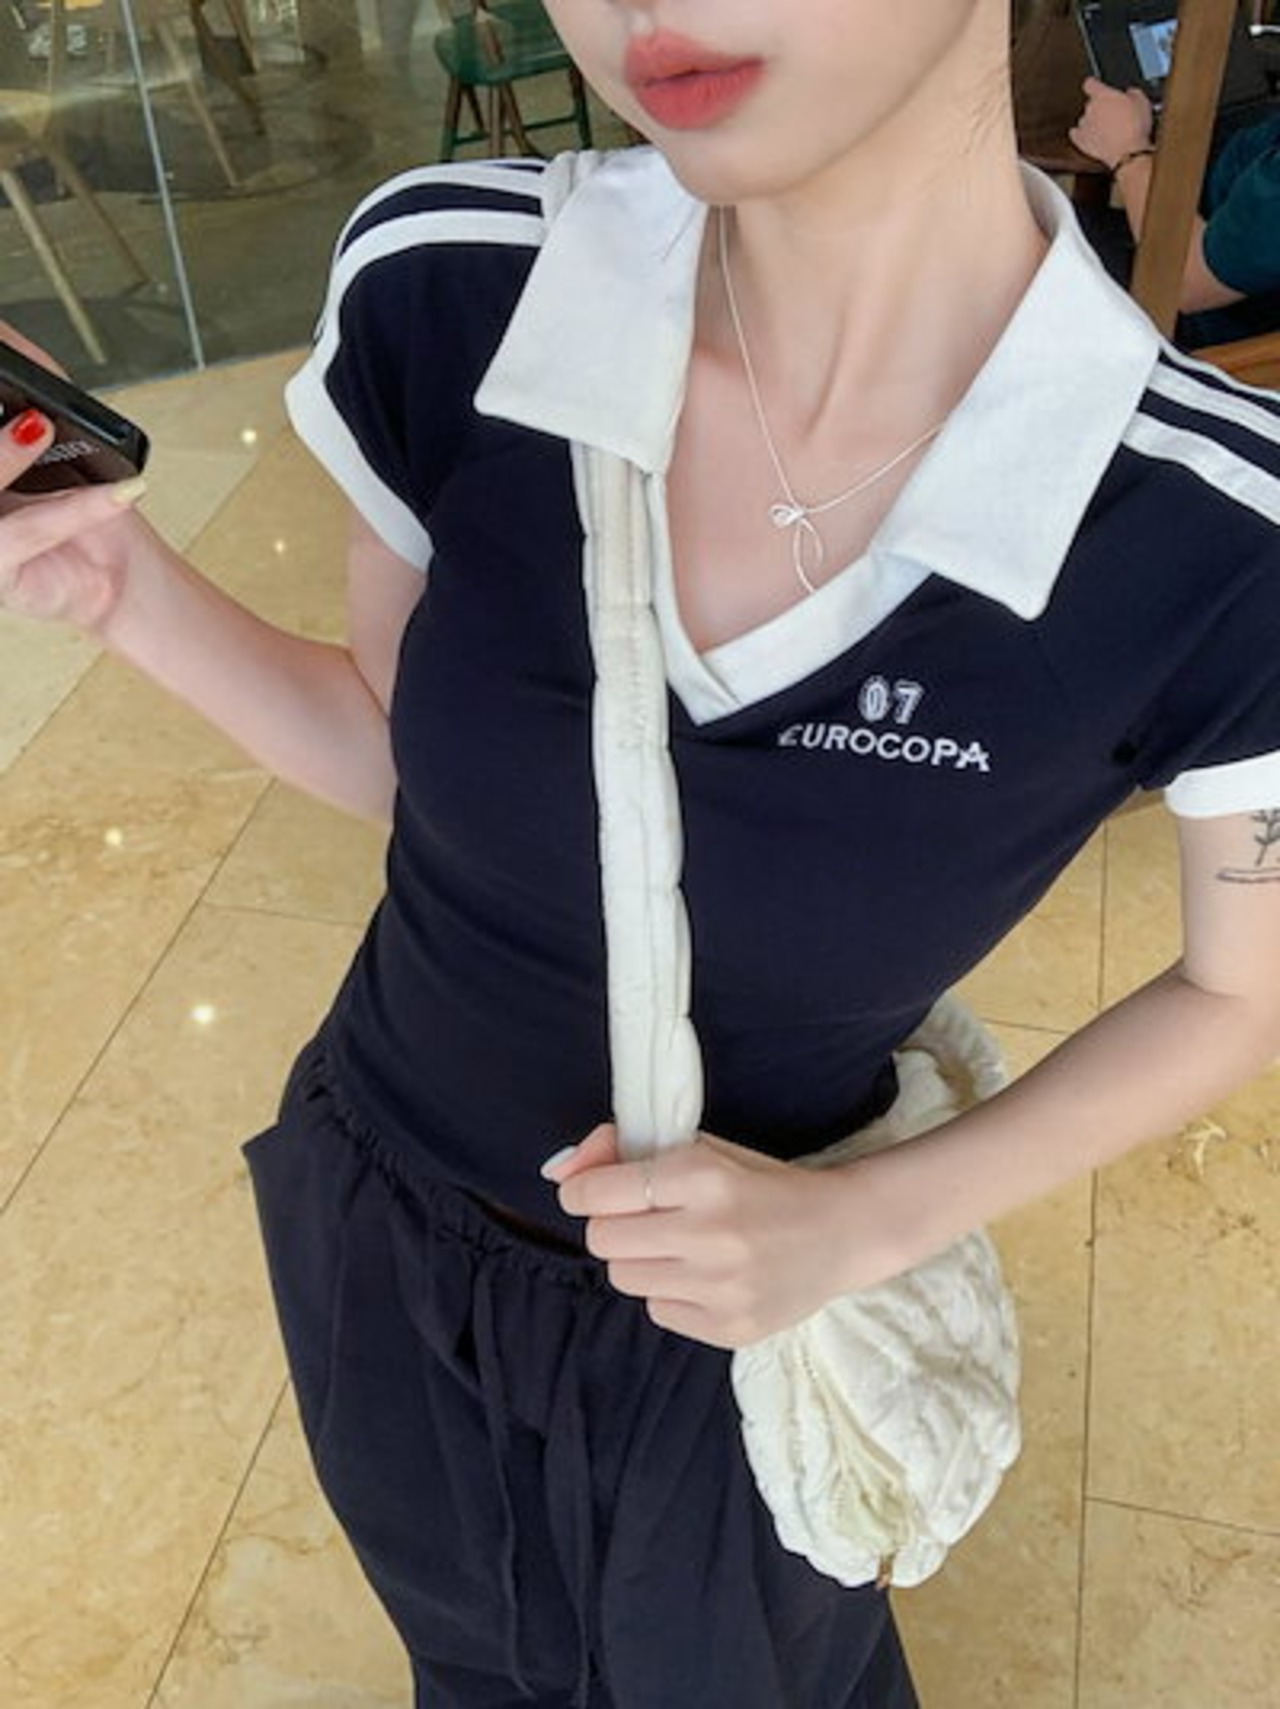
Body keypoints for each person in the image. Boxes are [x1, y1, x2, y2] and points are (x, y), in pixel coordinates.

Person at [4, 2, 1280, 1704]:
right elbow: (416, 756)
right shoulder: (451, 283)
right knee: (469, 1657)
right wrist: (116, 588)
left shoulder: (1209, 528)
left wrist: (862, 1223)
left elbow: (1239, 986)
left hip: (740, 1330)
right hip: (379, 1211)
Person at [1070, 73, 1280, 347]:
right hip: (1226, 215)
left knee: (1035, 243)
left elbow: (1184, 282)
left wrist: (1127, 150)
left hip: (1198, 311)